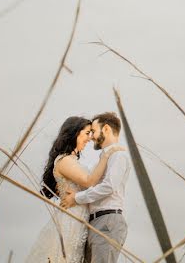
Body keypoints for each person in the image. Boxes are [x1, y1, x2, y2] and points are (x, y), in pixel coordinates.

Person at [24, 116, 125, 263]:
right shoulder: (64, 160)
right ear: (74, 133)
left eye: (91, 133)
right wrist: (107, 153)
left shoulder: (73, 162)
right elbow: (89, 181)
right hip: (71, 220)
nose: (90, 138)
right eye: (87, 133)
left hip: (81, 221)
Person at [60, 112, 131, 263]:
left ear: (105, 129)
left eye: (93, 131)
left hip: (107, 221)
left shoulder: (118, 155)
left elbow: (109, 186)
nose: (91, 136)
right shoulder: (102, 159)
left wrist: (76, 198)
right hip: (94, 223)